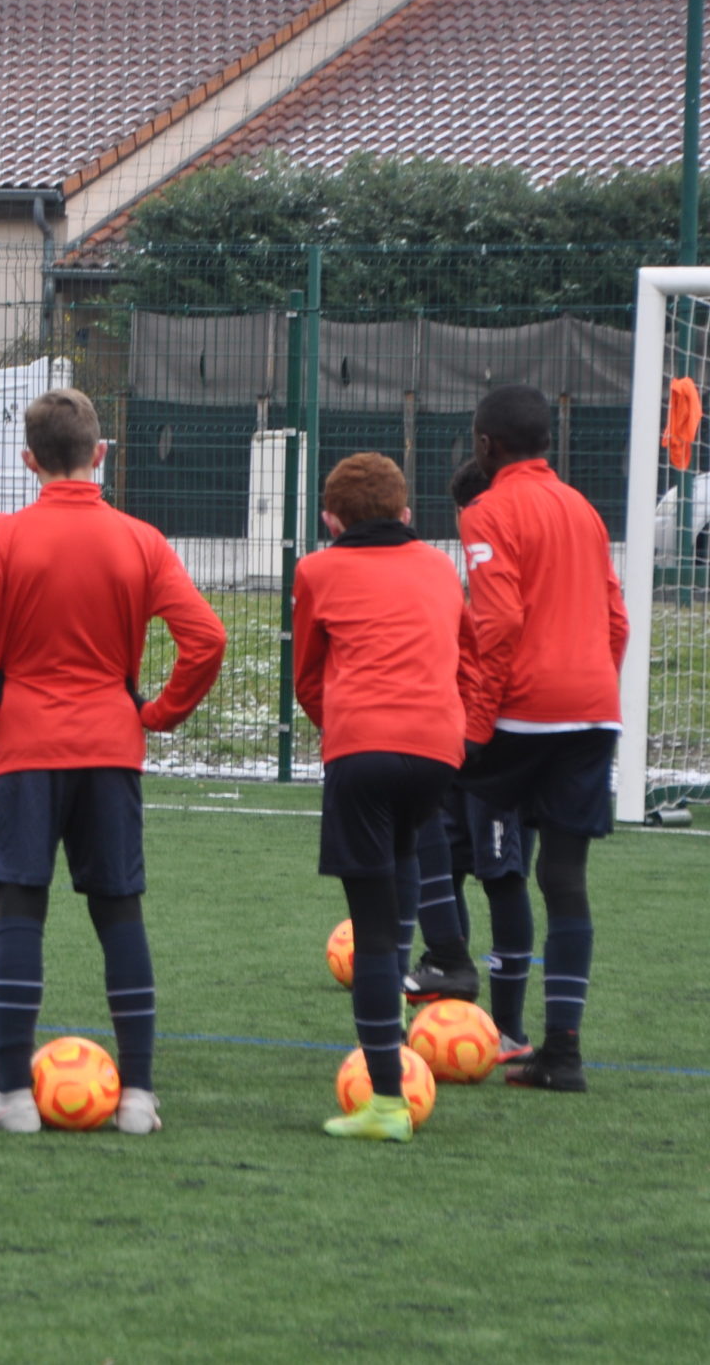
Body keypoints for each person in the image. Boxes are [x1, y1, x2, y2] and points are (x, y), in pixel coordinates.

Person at [0, 387, 227, 1135]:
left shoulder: (4, 538)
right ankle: (137, 1097)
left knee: (18, 909)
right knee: (118, 911)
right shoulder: (140, 538)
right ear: (100, 455)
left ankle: (13, 1096)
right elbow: (208, 638)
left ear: (28, 462)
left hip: (27, 744)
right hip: (109, 743)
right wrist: (157, 713)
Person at [293, 454, 479, 1142]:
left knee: (371, 937)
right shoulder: (439, 567)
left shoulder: (316, 570)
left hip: (362, 751)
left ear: (329, 520)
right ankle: (402, 1044)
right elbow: (468, 654)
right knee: (402, 879)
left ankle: (386, 1103)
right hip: (437, 751)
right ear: (408, 516)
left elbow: (308, 676)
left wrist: (343, 728)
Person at [455, 384, 627, 1092]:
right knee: (565, 878)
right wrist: (591, 682)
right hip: (593, 709)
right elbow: (616, 619)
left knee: (468, 847)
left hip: (521, 713)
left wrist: (472, 726)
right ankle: (561, 1055)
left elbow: (496, 626)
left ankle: (475, 1003)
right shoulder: (584, 510)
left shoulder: (489, 509)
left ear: (487, 446)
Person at [403, 456, 497, 1004]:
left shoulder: (474, 559)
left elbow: (478, 648)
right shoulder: (453, 568)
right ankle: (447, 965)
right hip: (469, 726)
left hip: (478, 731)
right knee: (454, 860)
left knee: (493, 873)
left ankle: (466, 977)